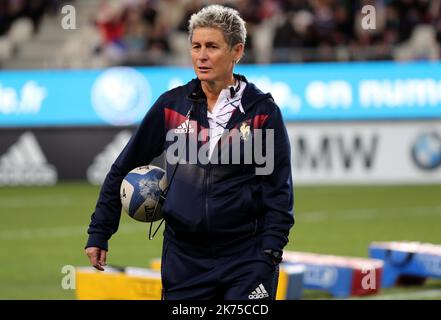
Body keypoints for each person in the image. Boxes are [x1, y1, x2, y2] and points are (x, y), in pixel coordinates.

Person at [85, 4, 294, 300]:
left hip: (246, 261)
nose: (202, 56)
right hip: (184, 263)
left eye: (212, 46)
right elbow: (122, 168)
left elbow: (278, 188)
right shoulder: (171, 106)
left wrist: (270, 251)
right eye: (196, 46)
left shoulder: (262, 112)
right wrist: (100, 232)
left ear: (237, 51)